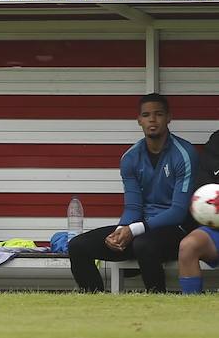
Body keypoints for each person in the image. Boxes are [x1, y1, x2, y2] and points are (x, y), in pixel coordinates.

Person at [68, 93, 198, 293]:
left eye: (158, 114)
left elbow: (178, 211)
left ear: (169, 118)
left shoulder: (184, 153)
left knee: (143, 245)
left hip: (176, 231)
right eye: (146, 115)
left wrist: (134, 230)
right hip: (141, 229)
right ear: (139, 120)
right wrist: (121, 230)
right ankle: (94, 302)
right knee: (78, 245)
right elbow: (133, 207)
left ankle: (157, 302)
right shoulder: (130, 157)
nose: (152, 120)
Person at [177, 129, 219, 294]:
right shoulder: (216, 142)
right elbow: (203, 188)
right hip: (216, 226)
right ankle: (191, 308)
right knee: (189, 246)